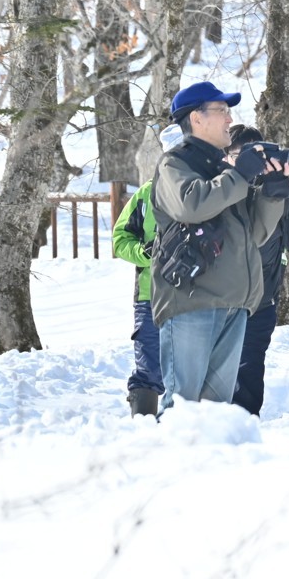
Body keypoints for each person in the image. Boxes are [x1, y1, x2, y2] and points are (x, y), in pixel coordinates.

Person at [150, 82, 289, 412]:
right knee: (182, 405)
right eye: (222, 111)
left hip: (234, 303)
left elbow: (253, 235)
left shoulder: (224, 171)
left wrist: (273, 193)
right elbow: (192, 205)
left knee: (217, 411)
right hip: (192, 301)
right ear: (196, 118)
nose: (230, 119)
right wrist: (239, 176)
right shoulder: (174, 165)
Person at [224, 124, 289, 416]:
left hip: (260, 301)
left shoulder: (279, 192)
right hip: (220, 302)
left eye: (255, 154)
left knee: (248, 368)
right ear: (226, 157)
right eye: (238, 155)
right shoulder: (218, 190)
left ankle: (244, 424)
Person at [112, 177, 164, 417]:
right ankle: (143, 425)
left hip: (198, 298)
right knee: (149, 368)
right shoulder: (147, 193)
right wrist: (143, 253)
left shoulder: (208, 187)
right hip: (149, 295)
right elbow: (121, 238)